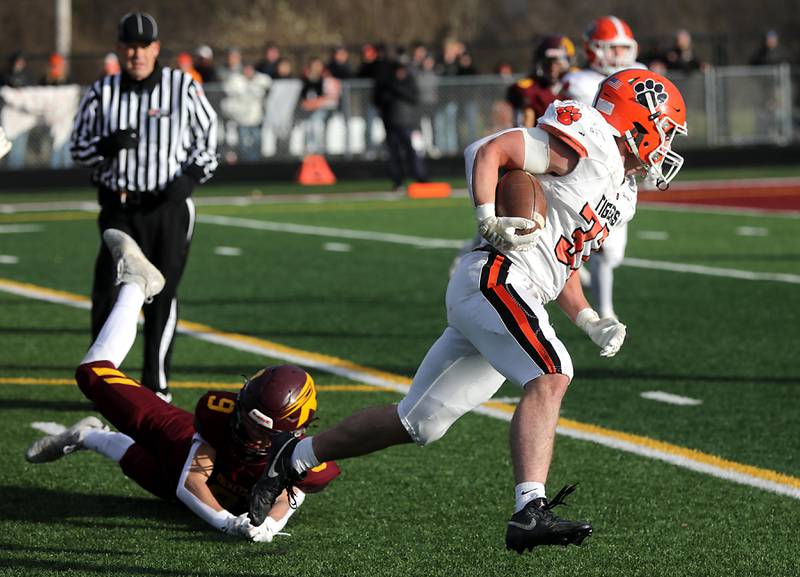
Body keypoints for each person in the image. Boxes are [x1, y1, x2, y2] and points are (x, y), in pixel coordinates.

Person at [248, 68, 688, 553]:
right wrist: (488, 216)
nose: (667, 143)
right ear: (638, 118)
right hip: (494, 276)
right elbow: (490, 151)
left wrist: (590, 319)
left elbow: (560, 263)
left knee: (417, 423)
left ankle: (294, 457)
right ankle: (530, 509)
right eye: (665, 128)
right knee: (551, 372)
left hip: (514, 289)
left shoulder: (621, 191)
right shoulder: (588, 140)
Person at [24, 230, 339, 540]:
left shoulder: (307, 457)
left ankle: (87, 435)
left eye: (263, 429)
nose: (249, 431)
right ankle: (137, 282)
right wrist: (230, 525)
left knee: (145, 469)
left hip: (209, 489)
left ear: (293, 432)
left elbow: (289, 496)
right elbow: (191, 482)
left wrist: (269, 524)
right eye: (248, 417)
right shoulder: (220, 416)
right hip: (184, 448)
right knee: (92, 374)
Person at [70, 11, 218, 402]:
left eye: (144, 46)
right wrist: (106, 146)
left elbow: (210, 141)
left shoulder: (181, 87)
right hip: (119, 207)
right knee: (107, 292)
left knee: (162, 293)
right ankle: (104, 381)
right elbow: (77, 149)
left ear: (156, 49)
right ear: (119, 49)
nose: (136, 54)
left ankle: (157, 383)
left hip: (167, 207)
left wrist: (187, 180)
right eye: (129, 46)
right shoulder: (103, 91)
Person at [560, 15, 643, 320]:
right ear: (593, 49)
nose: (619, 55)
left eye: (623, 48)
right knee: (600, 247)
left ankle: (576, 266)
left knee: (613, 253)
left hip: (623, 173)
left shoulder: (640, 75)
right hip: (584, 170)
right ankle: (603, 311)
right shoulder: (579, 81)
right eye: (613, 48)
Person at [374, 55, 428, 191]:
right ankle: (398, 180)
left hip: (408, 123)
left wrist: (396, 89)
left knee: (413, 151)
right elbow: (378, 100)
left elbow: (414, 98)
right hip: (391, 123)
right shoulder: (386, 84)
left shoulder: (408, 83)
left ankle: (419, 177)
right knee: (394, 153)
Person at [507, 35, 575, 129]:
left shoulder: (577, 85)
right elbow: (524, 128)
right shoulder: (530, 89)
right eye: (548, 62)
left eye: (558, 62)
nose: (553, 68)